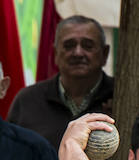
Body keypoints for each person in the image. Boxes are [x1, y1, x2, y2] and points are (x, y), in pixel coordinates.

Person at [7, 15, 113, 152]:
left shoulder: (120, 98)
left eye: (88, 46)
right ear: (55, 53)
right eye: (69, 46)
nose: (78, 52)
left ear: (105, 54)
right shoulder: (27, 101)